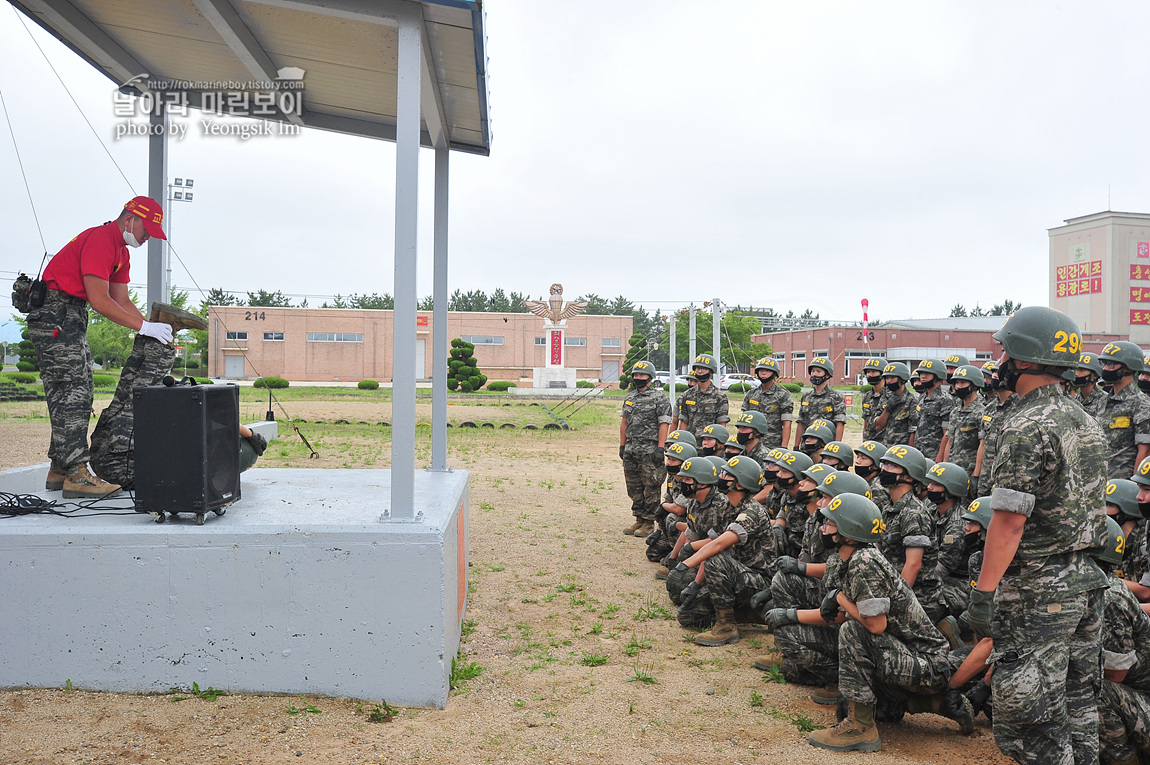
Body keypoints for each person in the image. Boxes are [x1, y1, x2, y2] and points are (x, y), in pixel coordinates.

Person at [969, 306, 1109, 765]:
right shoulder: (1083, 417)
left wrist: (984, 594)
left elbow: (1009, 521)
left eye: (1005, 349)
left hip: (1039, 589)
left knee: (1031, 721)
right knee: (1078, 705)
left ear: (1025, 359)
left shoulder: (1025, 423)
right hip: (1087, 581)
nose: (1000, 358)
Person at [27, 196, 187, 498]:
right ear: (129, 220)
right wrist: (145, 327)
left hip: (69, 316)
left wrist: (150, 331)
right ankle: (76, 474)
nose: (147, 237)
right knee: (74, 392)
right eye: (145, 230)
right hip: (55, 314)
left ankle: (60, 467)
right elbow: (100, 301)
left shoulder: (121, 253)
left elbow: (122, 300)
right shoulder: (101, 240)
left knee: (74, 391)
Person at [801, 494, 972, 752]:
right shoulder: (842, 559)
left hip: (927, 664)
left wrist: (837, 598)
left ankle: (860, 728)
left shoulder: (864, 562)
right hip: (902, 653)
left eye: (829, 524)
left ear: (849, 532)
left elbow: (875, 626)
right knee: (853, 705)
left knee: (852, 632)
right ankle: (936, 703)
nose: (823, 528)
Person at [1096, 515, 1150, 765]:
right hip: (1138, 699)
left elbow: (1114, 676)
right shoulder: (1101, 587)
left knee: (1096, 692)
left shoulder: (1108, 598)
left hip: (1142, 700)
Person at [619, 361, 672, 536]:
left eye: (642, 375)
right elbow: (624, 422)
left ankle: (649, 523)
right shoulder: (630, 398)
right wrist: (622, 445)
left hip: (650, 450)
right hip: (632, 449)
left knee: (651, 486)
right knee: (634, 486)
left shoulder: (660, 398)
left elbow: (664, 423)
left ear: (650, 377)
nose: (638, 378)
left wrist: (660, 448)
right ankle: (639, 519)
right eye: (636, 375)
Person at [1098, 341, 1150, 480]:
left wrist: (1134, 486)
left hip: (1122, 485)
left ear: (1129, 367)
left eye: (1111, 364)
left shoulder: (1142, 404)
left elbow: (1144, 451)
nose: (1106, 369)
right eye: (1104, 364)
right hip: (1098, 482)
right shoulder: (1102, 401)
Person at [937, 364, 987, 490]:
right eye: (957, 383)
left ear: (974, 385)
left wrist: (976, 475)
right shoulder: (955, 412)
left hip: (968, 472)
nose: (958, 386)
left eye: (963, 382)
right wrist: (945, 465)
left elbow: (983, 444)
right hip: (953, 471)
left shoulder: (982, 412)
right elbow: (949, 440)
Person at [741, 356, 794, 449]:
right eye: (761, 370)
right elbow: (744, 421)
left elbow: (787, 423)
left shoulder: (783, 395)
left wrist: (784, 447)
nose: (763, 373)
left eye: (767, 370)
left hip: (773, 444)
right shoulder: (751, 394)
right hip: (751, 443)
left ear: (774, 373)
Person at [795, 357, 847, 446]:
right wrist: (796, 446)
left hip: (825, 446)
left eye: (818, 371)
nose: (814, 374)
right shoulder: (806, 396)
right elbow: (801, 422)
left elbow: (840, 424)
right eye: (812, 371)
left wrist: (836, 446)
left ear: (827, 375)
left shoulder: (836, 397)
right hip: (806, 445)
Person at [677, 354, 729, 438]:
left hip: (709, 443)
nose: (700, 371)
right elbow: (684, 422)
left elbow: (721, 425)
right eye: (697, 368)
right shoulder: (687, 395)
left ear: (711, 372)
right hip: (690, 442)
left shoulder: (719, 397)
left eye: (704, 369)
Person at [912, 358, 953, 460]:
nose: (922, 376)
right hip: (919, 454)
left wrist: (939, 459)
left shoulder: (945, 400)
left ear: (937, 376)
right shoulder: (921, 398)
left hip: (933, 455)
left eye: (927, 374)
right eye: (921, 373)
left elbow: (946, 434)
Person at [873, 362, 918, 447]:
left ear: (903, 379)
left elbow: (914, 431)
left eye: (893, 377)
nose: (889, 381)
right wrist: (887, 409)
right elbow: (878, 426)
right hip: (886, 448)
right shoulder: (885, 397)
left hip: (902, 449)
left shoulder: (912, 400)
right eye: (887, 378)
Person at [1072, 352, 1109, 418]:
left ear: (1094, 375)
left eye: (1081, 369)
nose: (1076, 373)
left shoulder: (1105, 400)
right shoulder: (1074, 400)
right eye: (1075, 369)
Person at [860, 358, 887, 441]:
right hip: (869, 442)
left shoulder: (890, 396)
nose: (870, 375)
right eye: (868, 372)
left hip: (885, 442)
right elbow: (866, 423)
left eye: (874, 372)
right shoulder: (867, 396)